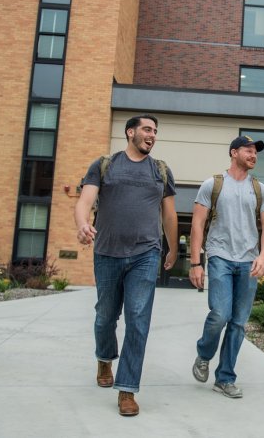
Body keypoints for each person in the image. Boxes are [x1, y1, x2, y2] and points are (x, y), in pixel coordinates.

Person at [74, 114, 178, 416]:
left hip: (146, 254)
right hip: (107, 253)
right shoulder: (105, 165)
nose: (152, 135)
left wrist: (172, 249)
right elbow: (84, 200)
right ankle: (105, 357)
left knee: (137, 319)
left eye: (155, 131)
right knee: (106, 316)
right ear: (130, 132)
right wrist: (82, 224)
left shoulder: (161, 170)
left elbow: (169, 214)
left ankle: (127, 389)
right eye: (147, 129)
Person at [189, 135, 264, 398]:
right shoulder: (212, 185)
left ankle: (225, 378)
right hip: (220, 256)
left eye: (255, 152)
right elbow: (197, 225)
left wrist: (263, 256)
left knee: (238, 323)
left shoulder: (260, 189)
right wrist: (195, 262)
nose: (253, 155)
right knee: (220, 314)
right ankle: (204, 353)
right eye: (248, 150)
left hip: (248, 261)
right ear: (233, 152)